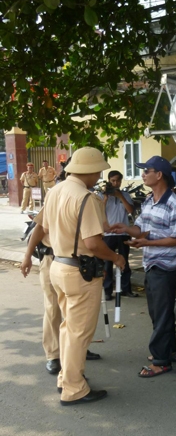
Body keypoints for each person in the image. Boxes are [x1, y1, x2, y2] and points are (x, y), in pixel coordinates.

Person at [41, 147, 125, 406]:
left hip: (58, 265)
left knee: (68, 329)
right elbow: (93, 244)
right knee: (78, 333)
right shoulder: (86, 197)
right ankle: (74, 388)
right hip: (80, 271)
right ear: (88, 171)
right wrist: (116, 258)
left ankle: (66, 378)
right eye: (98, 170)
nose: (100, 174)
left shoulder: (55, 191)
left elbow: (43, 227)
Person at [109, 156, 176, 378]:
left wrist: (146, 243)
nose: (143, 174)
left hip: (164, 266)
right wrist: (124, 228)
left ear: (159, 175)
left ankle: (161, 361)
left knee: (160, 314)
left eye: (147, 171)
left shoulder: (174, 203)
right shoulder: (150, 200)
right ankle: (171, 351)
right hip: (150, 264)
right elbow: (141, 228)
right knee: (158, 312)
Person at [20, 206, 102, 376]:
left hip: (80, 263)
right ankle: (53, 355)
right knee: (52, 308)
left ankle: (77, 350)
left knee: (77, 311)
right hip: (52, 259)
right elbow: (39, 229)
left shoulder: (85, 199)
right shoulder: (55, 198)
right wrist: (27, 256)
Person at [100, 170, 137, 300]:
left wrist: (120, 196)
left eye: (118, 181)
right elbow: (99, 212)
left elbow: (130, 210)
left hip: (123, 232)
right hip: (108, 233)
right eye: (113, 181)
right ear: (109, 181)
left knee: (124, 262)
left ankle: (126, 289)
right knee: (107, 263)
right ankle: (108, 291)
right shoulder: (101, 195)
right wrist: (105, 197)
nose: (115, 183)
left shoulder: (125, 195)